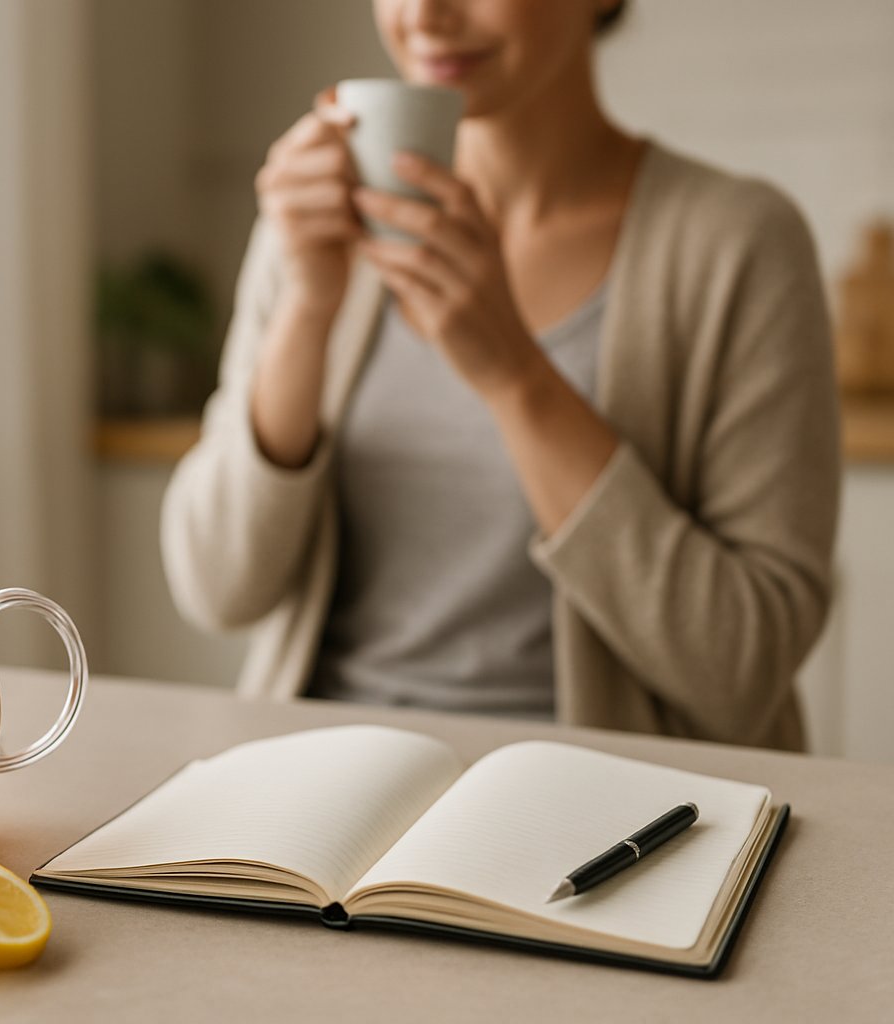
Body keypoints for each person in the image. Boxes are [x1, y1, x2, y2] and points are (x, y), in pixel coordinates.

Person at [160, 0, 839, 749]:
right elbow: (217, 587)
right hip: (328, 788)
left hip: (613, 804)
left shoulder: (739, 243)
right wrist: (309, 307)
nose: (424, 14)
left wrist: (516, 375)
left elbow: (745, 666)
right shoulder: (316, 223)